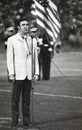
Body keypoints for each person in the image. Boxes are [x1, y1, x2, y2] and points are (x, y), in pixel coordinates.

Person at [6, 18, 39, 128]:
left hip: (28, 74)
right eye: (23, 24)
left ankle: (26, 121)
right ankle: (14, 122)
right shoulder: (12, 39)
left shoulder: (32, 40)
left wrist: (36, 73)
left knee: (26, 101)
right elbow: (9, 58)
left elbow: (35, 59)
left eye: (27, 24)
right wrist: (11, 73)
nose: (26, 26)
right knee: (15, 100)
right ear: (19, 27)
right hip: (18, 73)